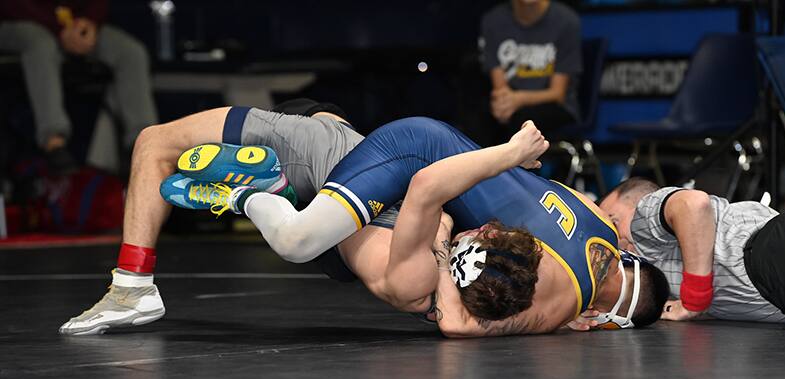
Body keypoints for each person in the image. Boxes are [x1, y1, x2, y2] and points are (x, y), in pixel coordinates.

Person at [60, 103, 669, 336]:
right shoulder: (562, 305)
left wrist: (507, 160)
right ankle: (258, 191)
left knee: (335, 224)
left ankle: (290, 163)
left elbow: (514, 195)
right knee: (299, 238)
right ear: (607, 315)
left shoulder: (597, 221)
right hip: (413, 161)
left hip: (413, 173)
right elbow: (459, 326)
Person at [599, 177, 785, 324]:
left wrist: (695, 299)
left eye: (614, 223)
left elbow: (692, 204)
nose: (613, 241)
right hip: (782, 297)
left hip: (773, 254)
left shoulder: (643, 224)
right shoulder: (652, 272)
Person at [0, 0, 157, 174]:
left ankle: (144, 144)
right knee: (39, 43)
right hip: (19, 22)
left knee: (131, 53)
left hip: (73, 25)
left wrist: (90, 23)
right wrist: (59, 29)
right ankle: (53, 141)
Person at [479, 0, 581, 138]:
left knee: (524, 121)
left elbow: (557, 94)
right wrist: (504, 104)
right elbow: (500, 90)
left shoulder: (567, 21)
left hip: (553, 105)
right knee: (479, 115)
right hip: (509, 103)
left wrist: (519, 99)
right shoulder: (493, 20)